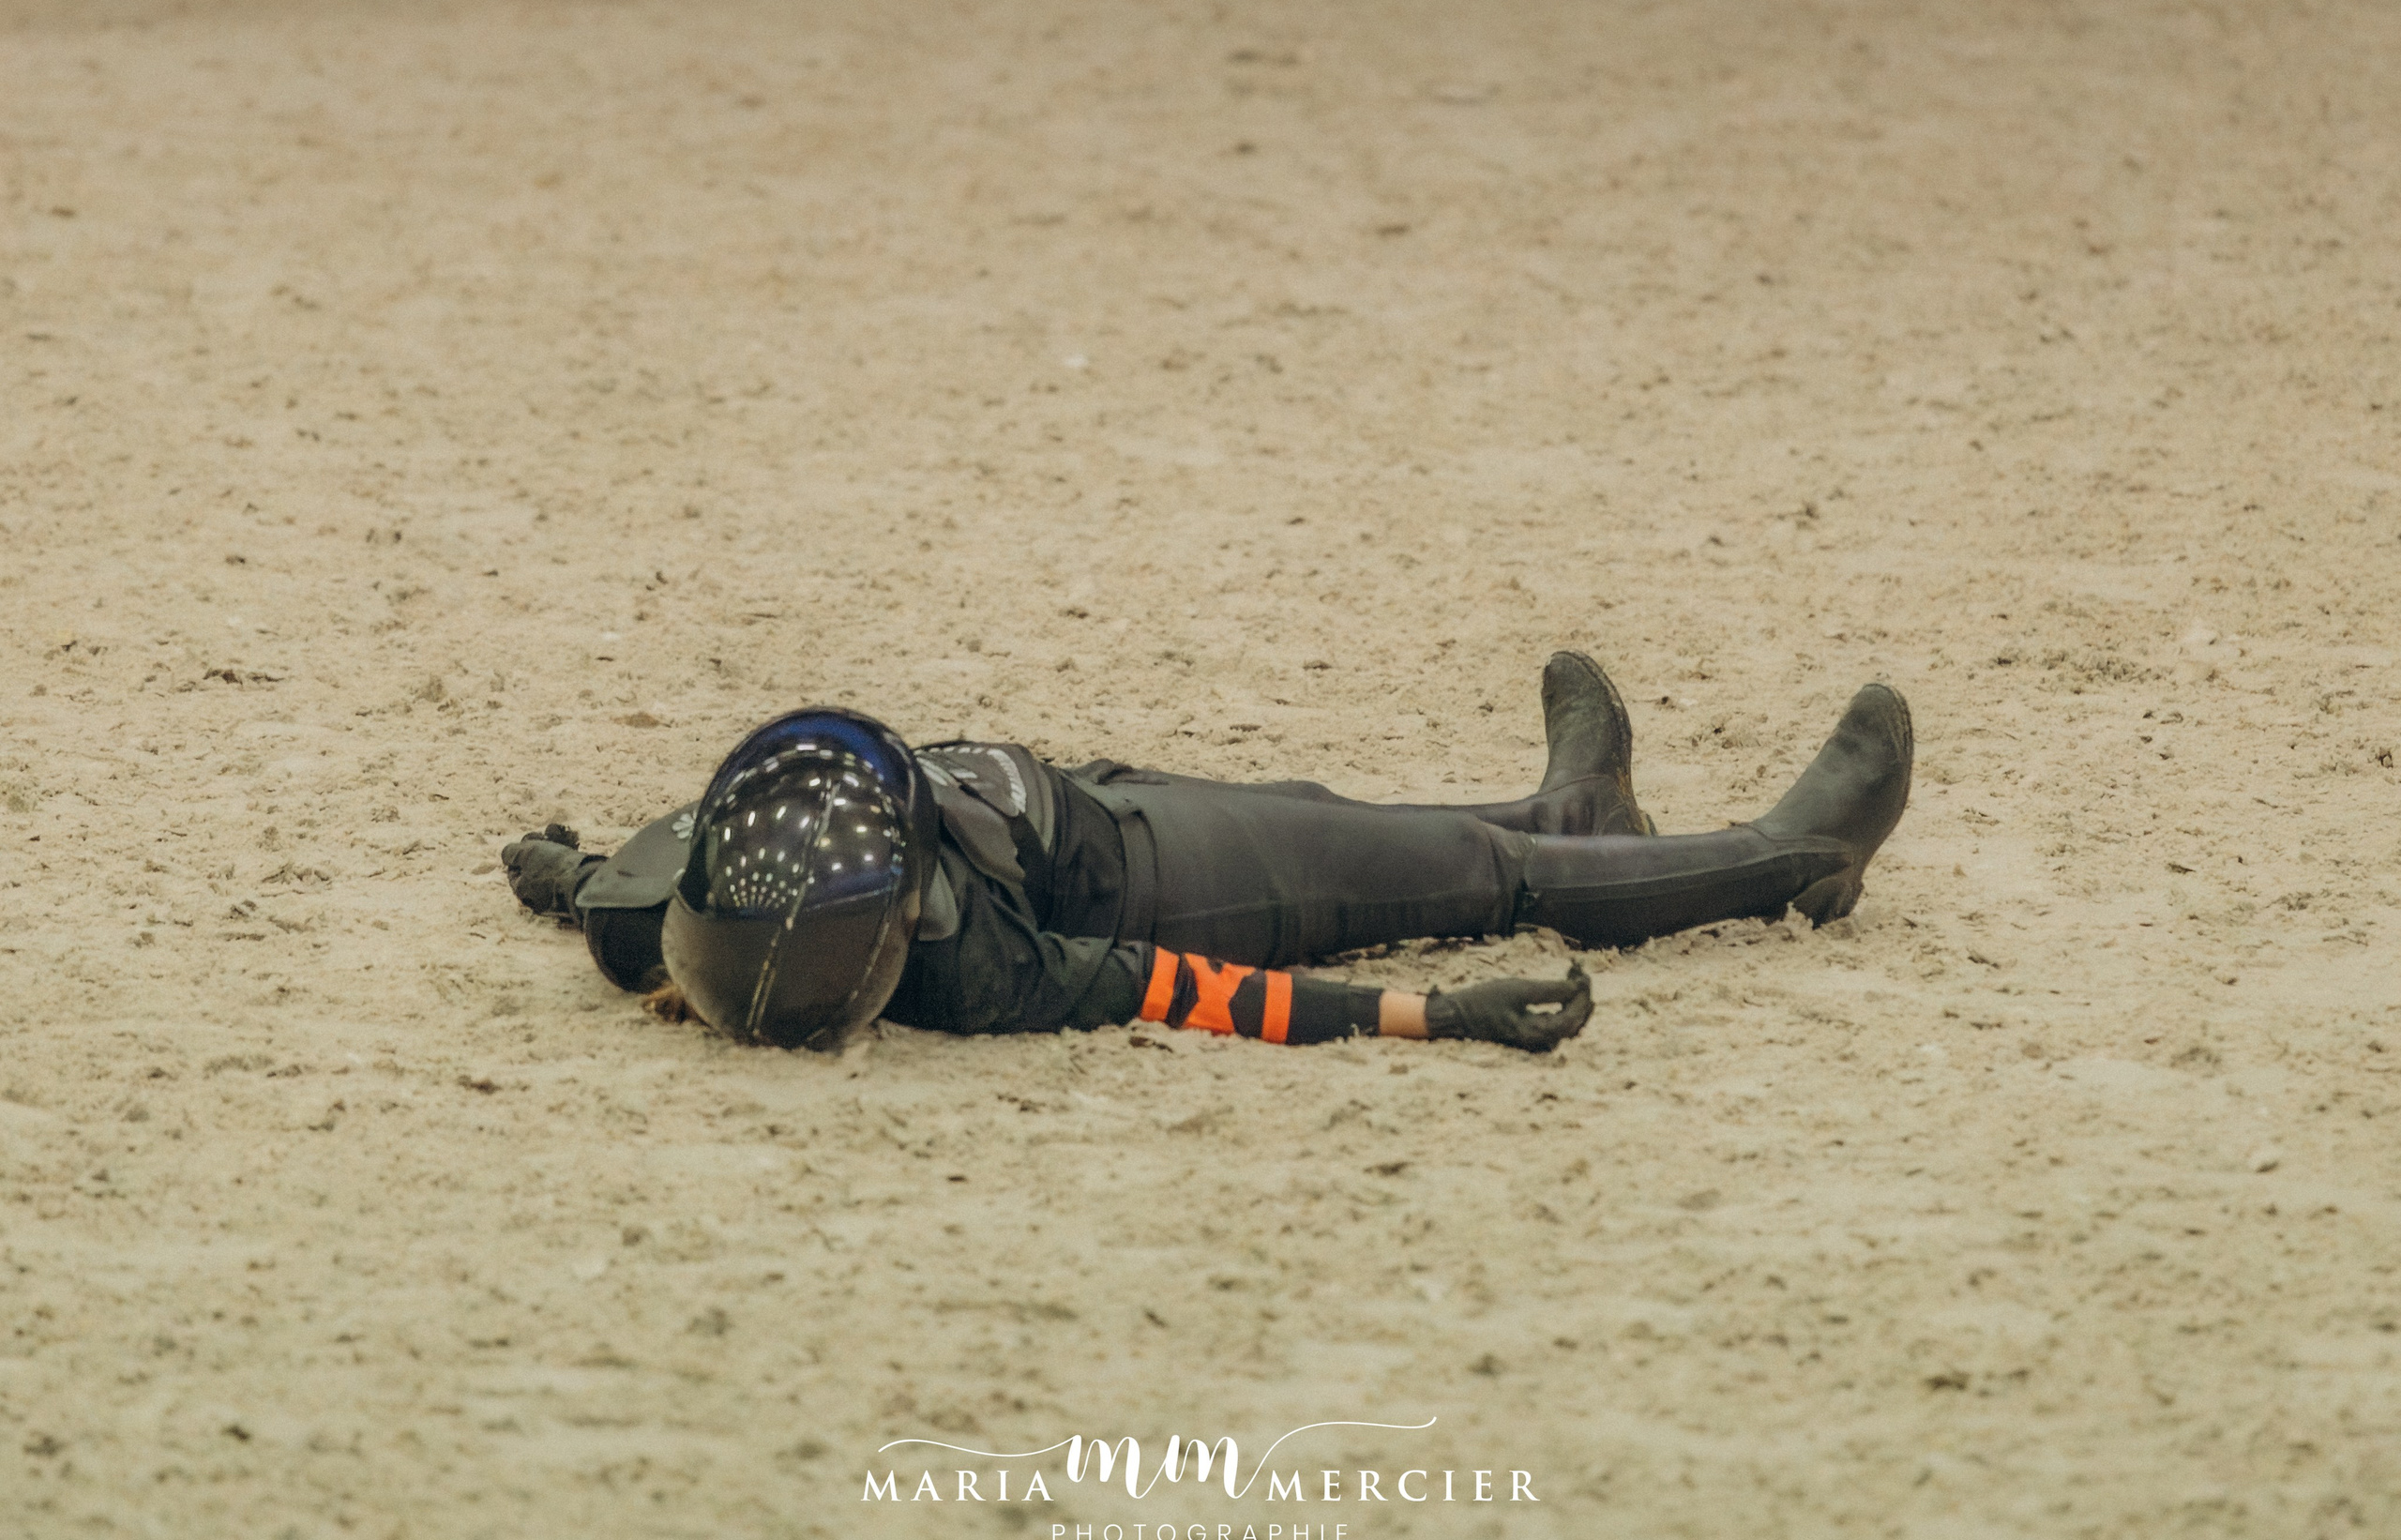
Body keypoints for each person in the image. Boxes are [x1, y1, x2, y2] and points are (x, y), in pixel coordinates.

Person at [500, 653, 1911, 1054]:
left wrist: (567, 875)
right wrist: (1433, 1016)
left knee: (1357, 821)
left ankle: (1581, 816)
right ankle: (1790, 857)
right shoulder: (981, 971)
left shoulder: (658, 902)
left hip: (1074, 798)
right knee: (1478, 888)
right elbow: (1183, 988)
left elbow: (595, 893)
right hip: (1148, 868)